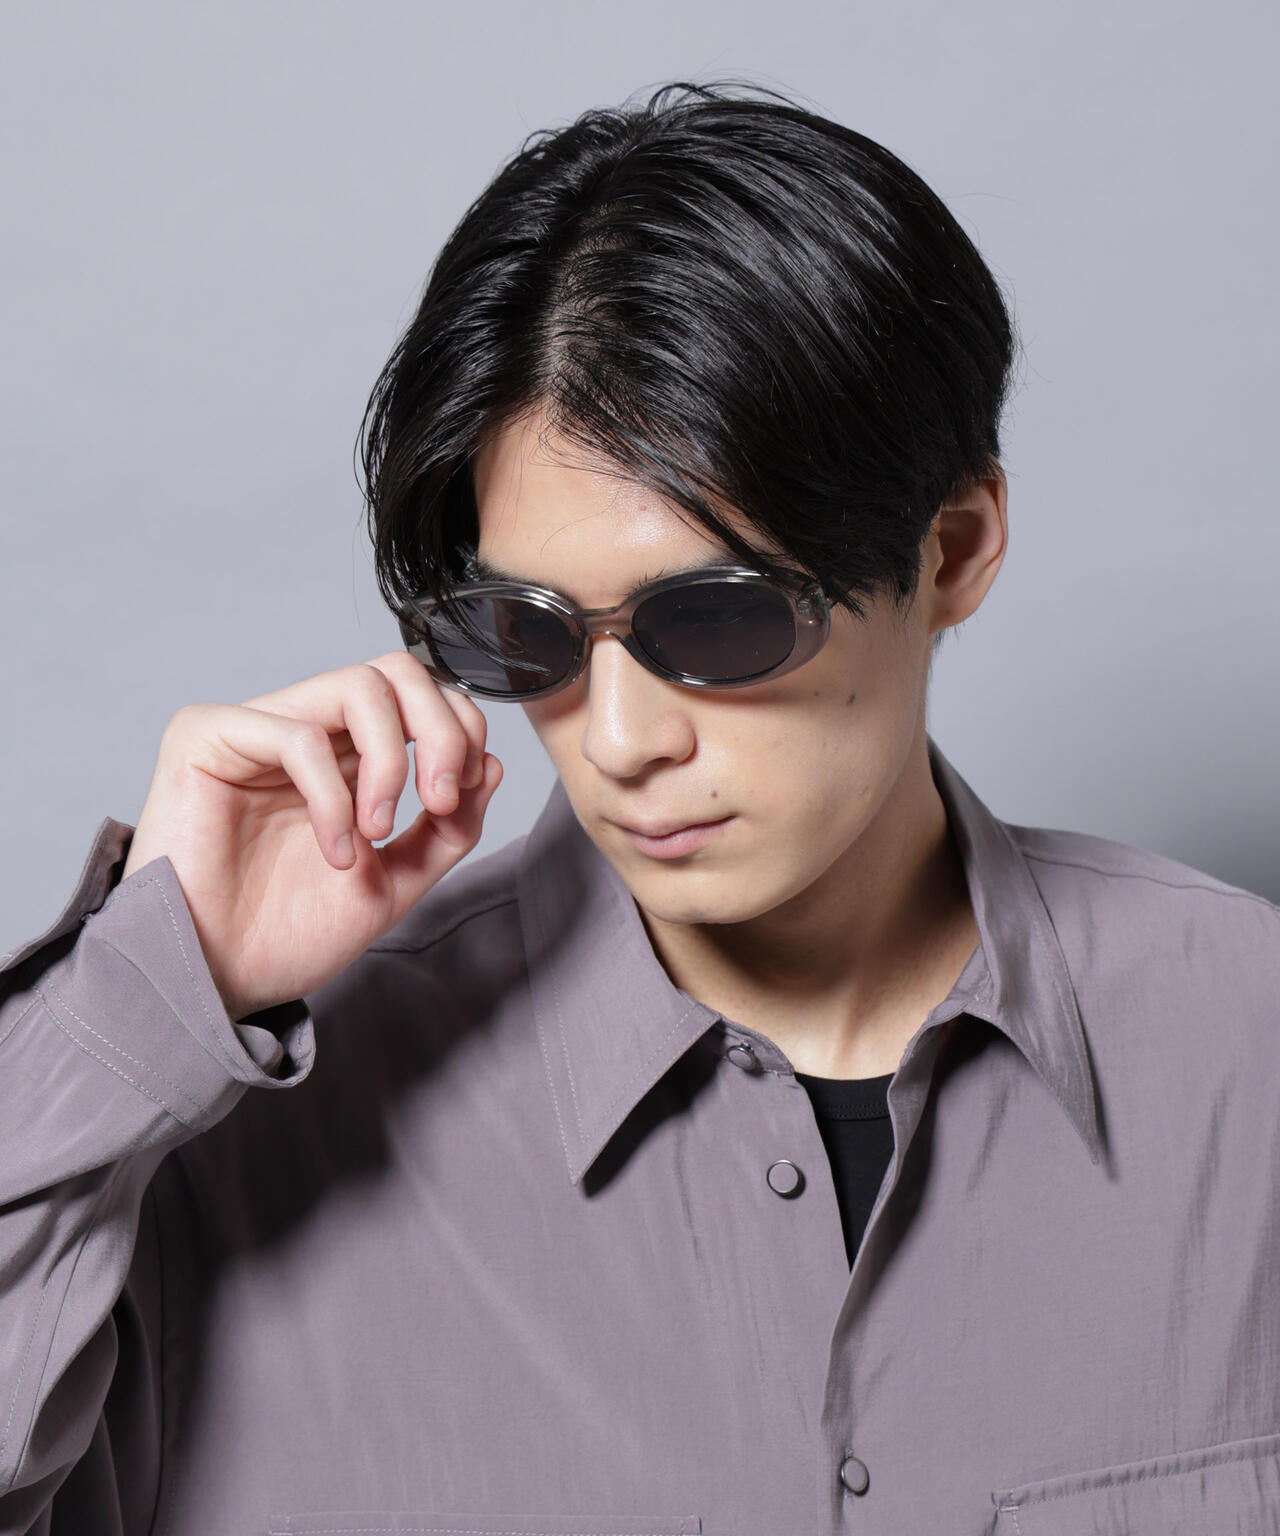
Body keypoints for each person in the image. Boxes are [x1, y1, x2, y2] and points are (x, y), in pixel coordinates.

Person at [2, 79, 1278, 1536]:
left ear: (955, 551)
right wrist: (138, 1000)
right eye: (528, 635)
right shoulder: (212, 1141)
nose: (616, 740)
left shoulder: (1246, 1045)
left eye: (715, 621)